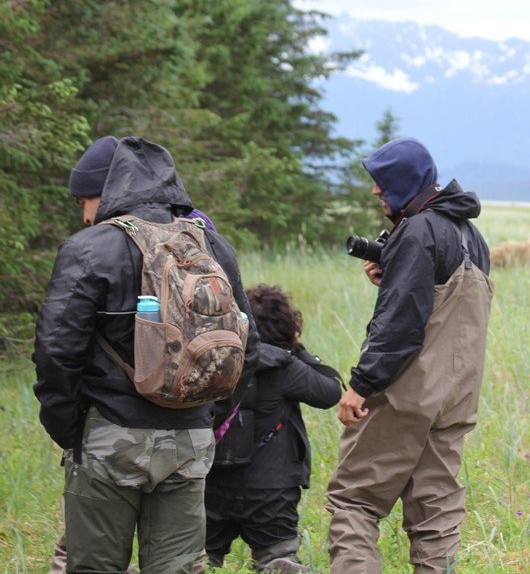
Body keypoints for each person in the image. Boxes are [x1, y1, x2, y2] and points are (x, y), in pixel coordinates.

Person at [33, 135, 260, 574]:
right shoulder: (214, 246)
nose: (84, 212)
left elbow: (55, 353)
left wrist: (70, 430)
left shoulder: (89, 248)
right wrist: (205, 416)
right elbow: (247, 345)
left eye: (86, 198)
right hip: (191, 442)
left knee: (95, 568)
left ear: (110, 188)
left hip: (110, 435)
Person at [325, 137, 494, 573]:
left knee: (354, 500)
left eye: (382, 183)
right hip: (455, 398)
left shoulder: (417, 230)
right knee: (435, 512)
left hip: (406, 395)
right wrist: (393, 275)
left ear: (405, 181)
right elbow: (440, 310)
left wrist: (361, 386)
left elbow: (400, 324)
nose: (376, 192)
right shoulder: (472, 236)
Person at [205, 284, 343, 573]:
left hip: (211, 481)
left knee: (198, 559)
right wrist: (297, 348)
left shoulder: (213, 360)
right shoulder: (285, 366)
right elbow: (329, 391)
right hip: (270, 489)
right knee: (278, 562)